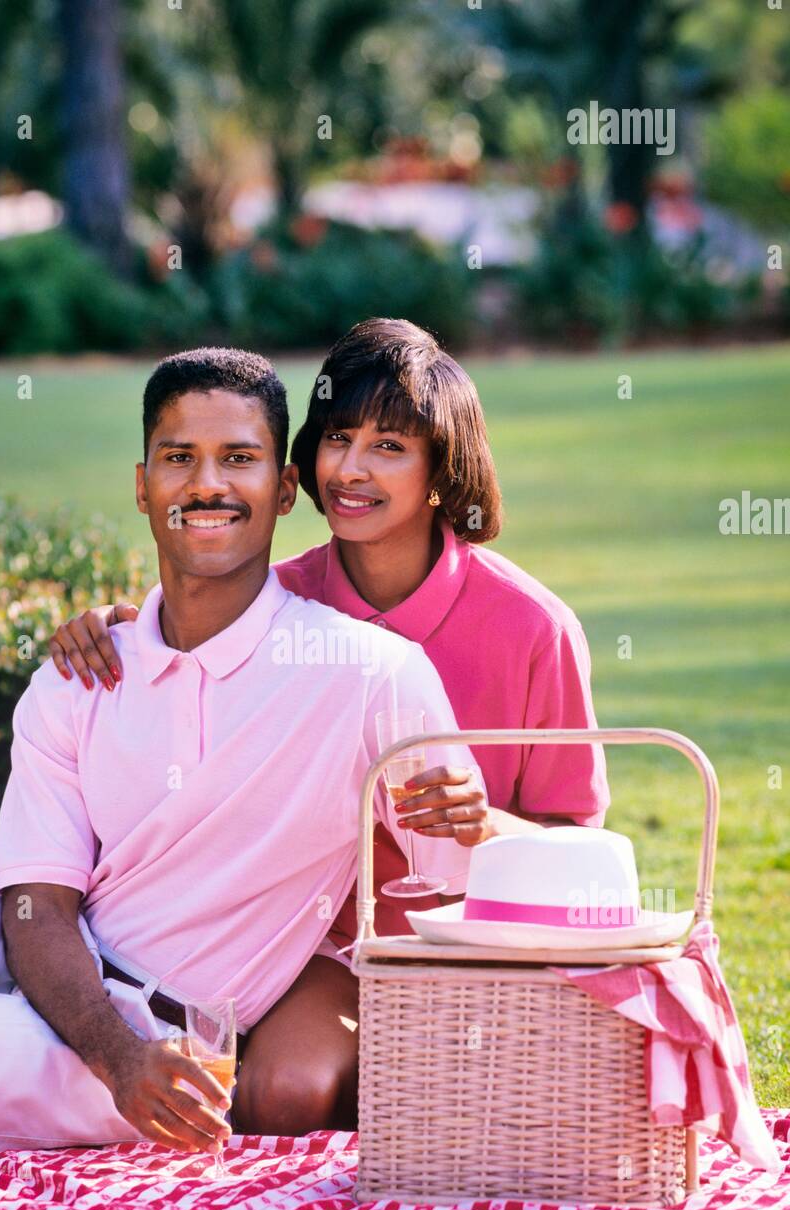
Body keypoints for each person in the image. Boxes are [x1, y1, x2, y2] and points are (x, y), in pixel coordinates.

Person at [0, 347, 485, 1159]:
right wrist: (110, 1051)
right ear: (142, 483)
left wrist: (127, 1064)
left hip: (155, 1049)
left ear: (284, 490)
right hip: (65, 982)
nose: (207, 484)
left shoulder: (374, 676)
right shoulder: (84, 671)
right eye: (179, 458)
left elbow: (460, 885)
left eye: (239, 459)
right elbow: (37, 907)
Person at [48, 320, 611, 1120]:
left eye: (389, 446)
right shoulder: (278, 599)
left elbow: (584, 850)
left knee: (459, 1103)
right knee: (284, 1091)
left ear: (442, 469)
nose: (350, 470)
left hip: (477, 942)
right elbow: (174, 637)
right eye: (337, 438)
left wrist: (486, 825)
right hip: (311, 943)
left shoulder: (533, 629)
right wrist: (105, 628)